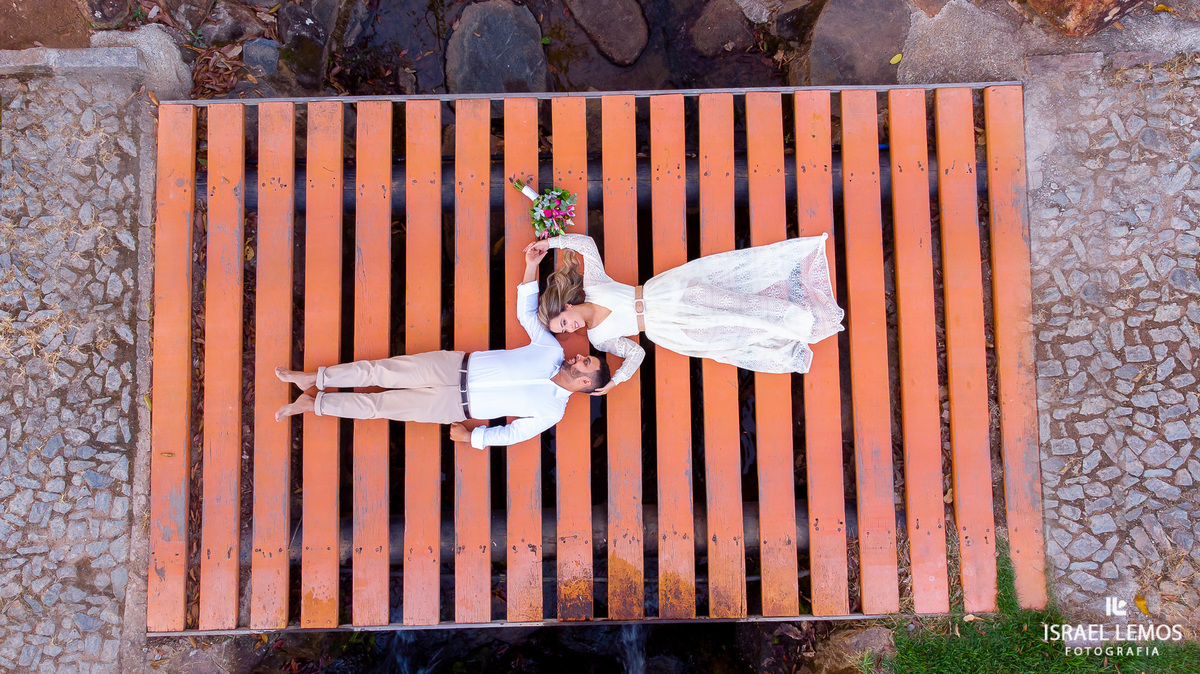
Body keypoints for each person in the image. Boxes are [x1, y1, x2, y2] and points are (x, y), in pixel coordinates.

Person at [275, 245, 612, 449]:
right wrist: (531, 267)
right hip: (453, 366)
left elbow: (513, 433)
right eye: (585, 357)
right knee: (378, 371)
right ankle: (314, 378)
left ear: (585, 383)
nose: (578, 357)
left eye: (585, 364)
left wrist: (474, 438)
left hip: (453, 405)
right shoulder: (551, 351)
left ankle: (314, 404)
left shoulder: (552, 411)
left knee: (378, 406)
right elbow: (527, 315)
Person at [531, 233, 844, 394]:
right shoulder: (599, 339)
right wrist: (617, 381)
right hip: (663, 327)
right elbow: (636, 353)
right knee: (733, 329)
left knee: (735, 303)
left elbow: (587, 245)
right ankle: (797, 329)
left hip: (665, 293)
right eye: (565, 330)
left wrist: (551, 243)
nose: (570, 327)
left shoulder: (594, 285)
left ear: (567, 306)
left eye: (564, 321)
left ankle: (797, 315)